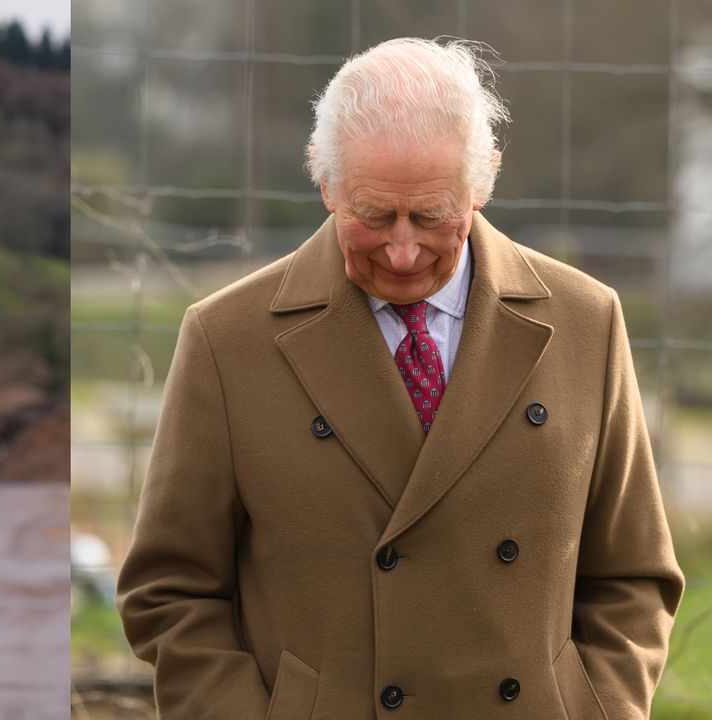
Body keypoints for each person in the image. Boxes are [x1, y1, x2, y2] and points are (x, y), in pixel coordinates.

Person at [117, 37, 683, 719]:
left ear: (482, 184)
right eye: (375, 214)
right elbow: (170, 591)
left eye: (432, 216)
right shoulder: (228, 339)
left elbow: (631, 577)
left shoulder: (587, 322)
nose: (404, 249)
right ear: (323, 181)